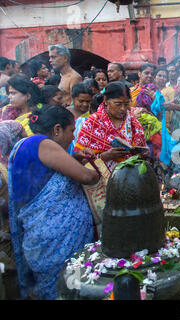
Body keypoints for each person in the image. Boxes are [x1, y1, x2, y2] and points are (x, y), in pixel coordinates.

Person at [8, 104, 99, 300]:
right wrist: (99, 167)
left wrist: (74, 158)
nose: (73, 138)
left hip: (41, 238)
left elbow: (48, 174)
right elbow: (86, 177)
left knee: (55, 289)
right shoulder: (43, 143)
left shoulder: (25, 144)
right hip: (57, 241)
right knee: (67, 289)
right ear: (57, 129)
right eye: (71, 131)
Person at [75, 81, 147, 171]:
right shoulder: (93, 123)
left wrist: (142, 152)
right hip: (102, 178)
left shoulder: (133, 121)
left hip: (130, 176)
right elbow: (81, 159)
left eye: (126, 104)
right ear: (106, 101)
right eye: (118, 104)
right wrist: (105, 156)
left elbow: (142, 148)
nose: (123, 109)